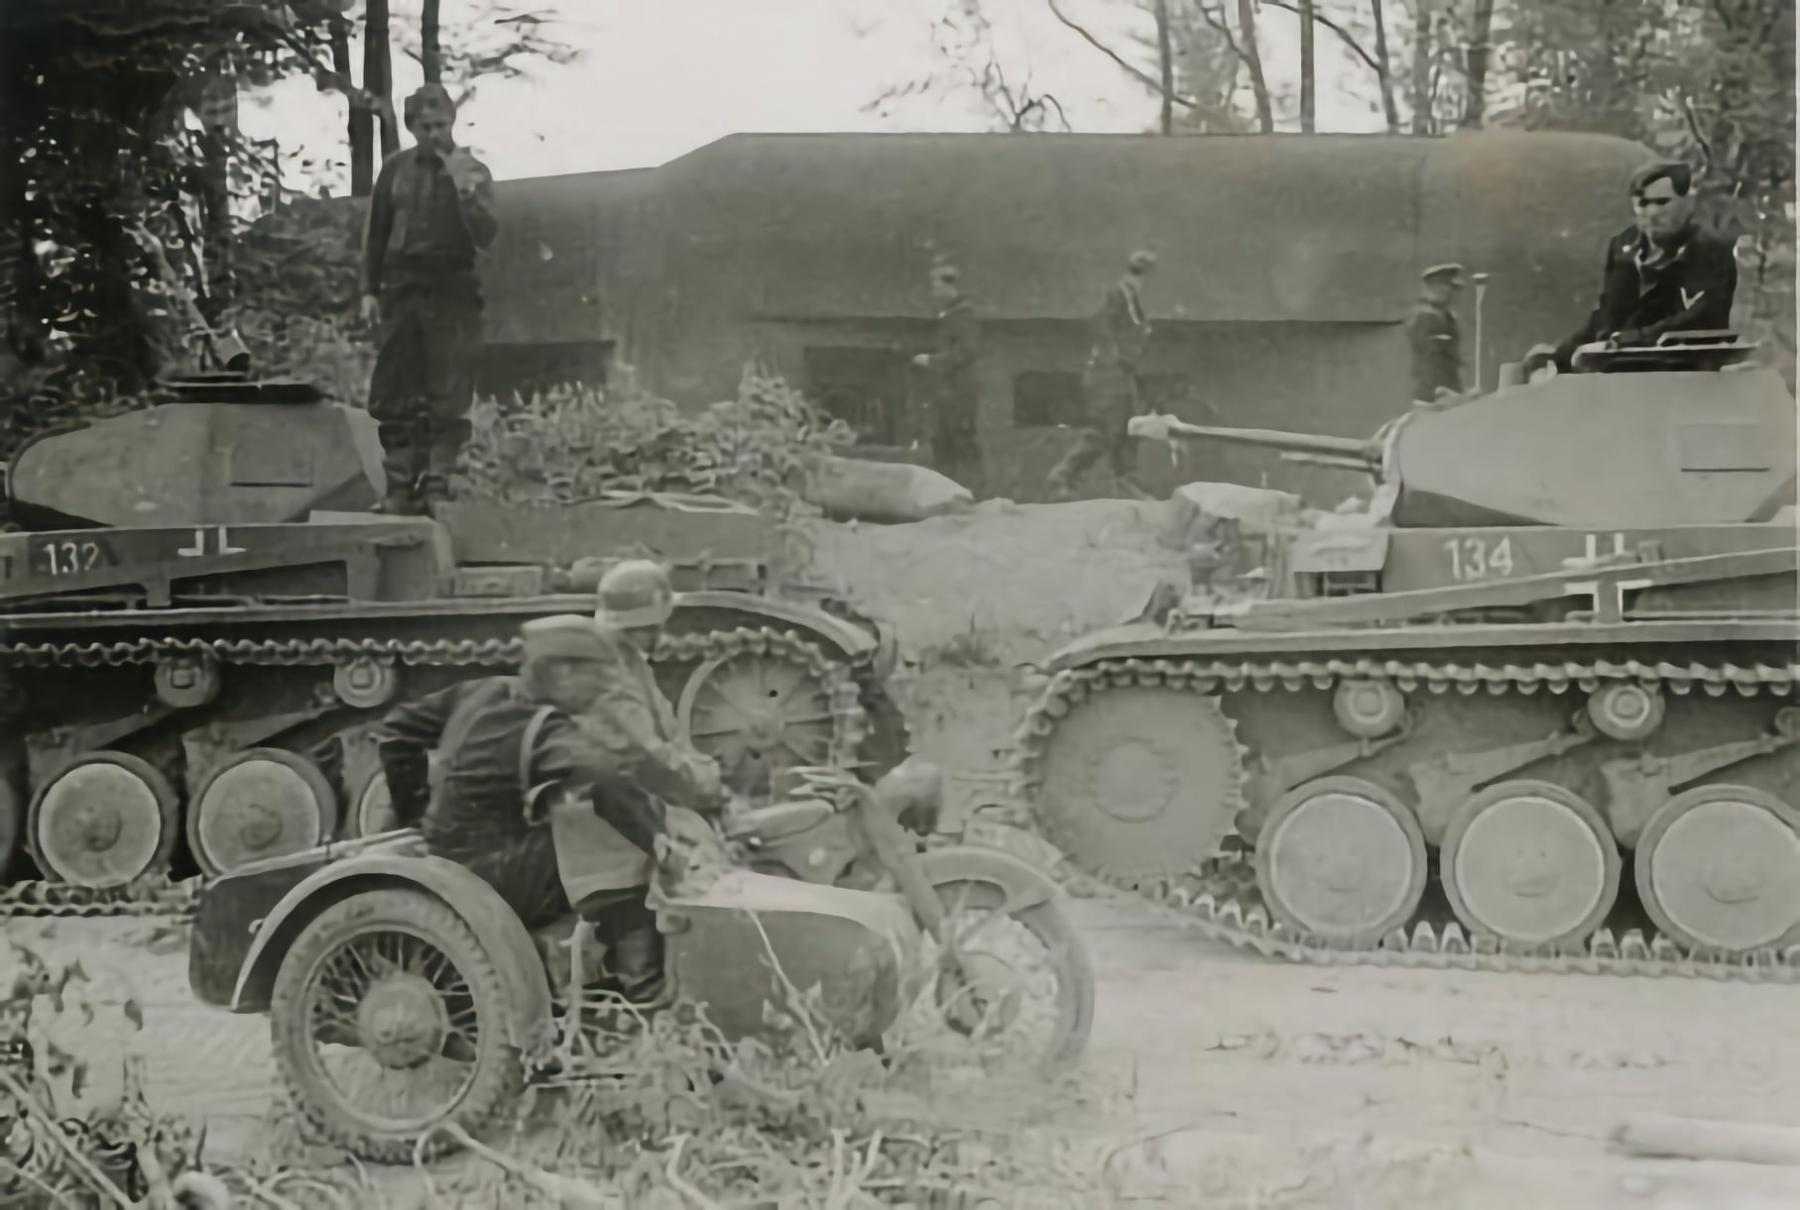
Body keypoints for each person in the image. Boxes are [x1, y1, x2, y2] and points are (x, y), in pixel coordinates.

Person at [374, 614, 673, 1001]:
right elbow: (606, 779)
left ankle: (582, 973)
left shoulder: (482, 690)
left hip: (449, 857)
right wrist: (660, 841)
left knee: (579, 827)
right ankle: (646, 993)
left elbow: (395, 730)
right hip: (487, 874)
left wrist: (415, 813)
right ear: (562, 673)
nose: (605, 688)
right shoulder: (544, 729)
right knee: (614, 848)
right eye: (598, 676)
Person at [361, 83, 499, 515]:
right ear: (412, 127)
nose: (435, 134)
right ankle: (399, 488)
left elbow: (488, 235)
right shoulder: (394, 171)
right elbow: (376, 233)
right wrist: (368, 291)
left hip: (451, 291)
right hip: (402, 290)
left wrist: (467, 194)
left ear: (453, 122)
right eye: (426, 127)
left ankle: (437, 486)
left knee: (449, 390)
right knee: (396, 391)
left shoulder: (473, 170)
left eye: (441, 124)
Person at [1525, 161, 1737, 376]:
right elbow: (1608, 316)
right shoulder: (1624, 247)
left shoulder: (1709, 250)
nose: (1652, 213)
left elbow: (1701, 318)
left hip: (1683, 373)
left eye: (1662, 202)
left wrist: (1628, 341)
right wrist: (1562, 354)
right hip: (1618, 369)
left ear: (1688, 203)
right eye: (1642, 204)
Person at [1045, 250, 1157, 500]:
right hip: (1108, 376)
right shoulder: (1119, 295)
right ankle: (1064, 475)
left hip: (1121, 375)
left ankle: (1126, 482)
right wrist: (1116, 356)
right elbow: (1100, 322)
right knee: (1106, 429)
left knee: (1127, 427)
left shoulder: (1130, 299)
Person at [911, 263, 984, 497]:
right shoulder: (947, 317)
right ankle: (946, 496)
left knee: (963, 445)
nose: (933, 293)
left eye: (936, 287)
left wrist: (932, 362)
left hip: (959, 393)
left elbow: (968, 350)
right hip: (945, 394)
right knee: (942, 447)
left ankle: (976, 496)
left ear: (949, 287)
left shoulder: (963, 316)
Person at [1405, 263, 1464, 405]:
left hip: (1450, 387)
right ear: (1430, 288)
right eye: (1443, 286)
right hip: (1431, 393)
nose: (1449, 293)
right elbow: (1430, 360)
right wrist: (1439, 391)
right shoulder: (1423, 317)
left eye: (1451, 288)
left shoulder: (1448, 316)